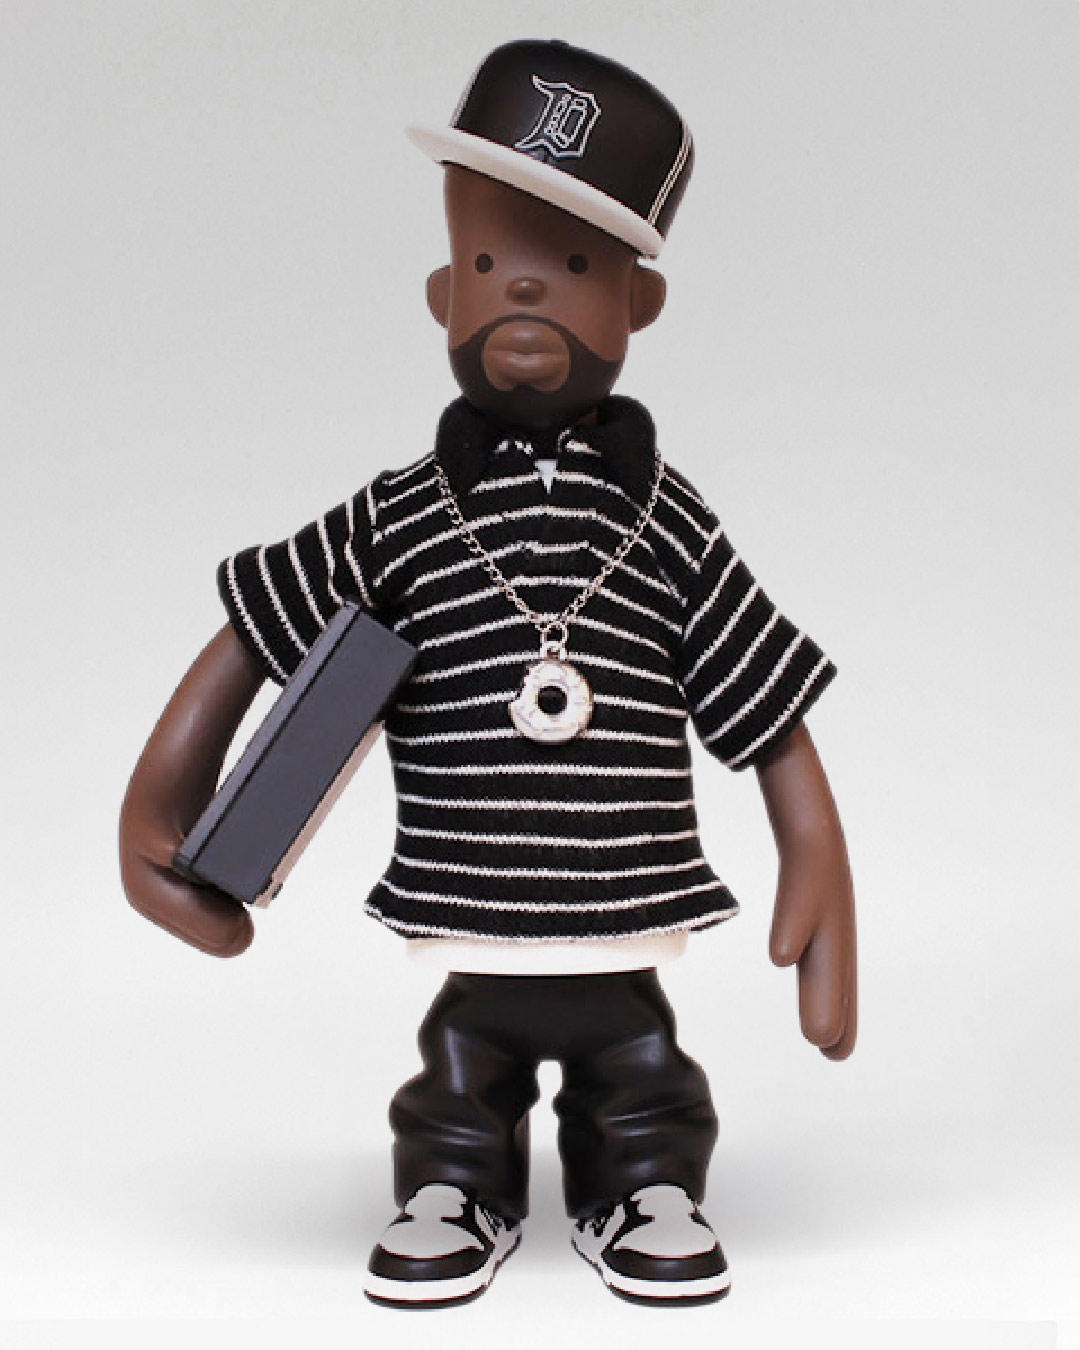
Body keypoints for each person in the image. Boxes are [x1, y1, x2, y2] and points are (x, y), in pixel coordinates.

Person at [120, 40, 856, 1310]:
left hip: (624, 904)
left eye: (572, 266)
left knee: (642, 1069)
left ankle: (642, 1180)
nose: (522, 285)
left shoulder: (668, 523)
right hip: (467, 899)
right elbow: (258, 629)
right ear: (440, 294)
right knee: (460, 1071)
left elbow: (761, 692)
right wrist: (157, 808)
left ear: (638, 304)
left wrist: (820, 859)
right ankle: (459, 1184)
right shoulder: (403, 515)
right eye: (486, 263)